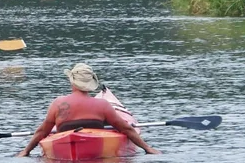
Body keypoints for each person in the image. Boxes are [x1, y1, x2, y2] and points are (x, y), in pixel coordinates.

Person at [17, 64, 160, 157]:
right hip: (96, 149)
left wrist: (26, 151)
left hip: (64, 146)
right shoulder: (102, 105)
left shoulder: (58, 103)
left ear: (72, 81)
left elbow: (42, 132)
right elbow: (126, 129)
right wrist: (147, 148)